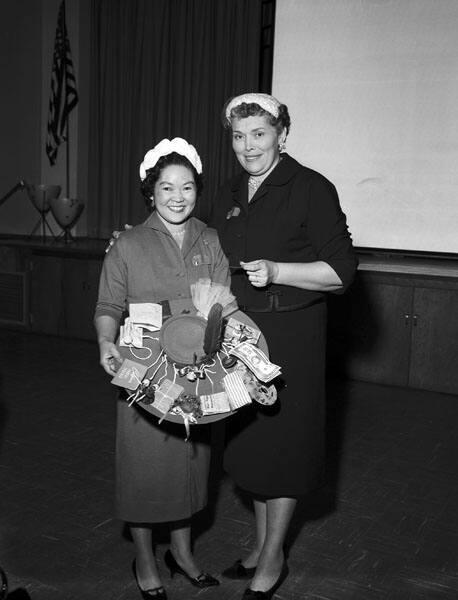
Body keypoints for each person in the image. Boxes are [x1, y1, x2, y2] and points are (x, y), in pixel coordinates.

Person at [209, 92, 358, 599]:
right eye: (238, 135)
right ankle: (258, 544)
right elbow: (205, 252)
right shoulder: (231, 190)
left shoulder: (312, 188)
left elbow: (341, 273)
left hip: (291, 335)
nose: (248, 146)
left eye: (259, 134)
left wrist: (278, 271)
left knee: (287, 450)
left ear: (282, 136)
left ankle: (273, 558)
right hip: (241, 335)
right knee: (252, 449)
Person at [94, 138, 224, 599]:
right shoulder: (128, 242)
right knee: (144, 464)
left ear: (197, 190)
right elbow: (109, 302)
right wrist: (106, 340)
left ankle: (183, 553)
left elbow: (224, 302)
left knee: (190, 460)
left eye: (187, 187)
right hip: (144, 369)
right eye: (166, 187)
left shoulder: (210, 238)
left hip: (194, 368)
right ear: (151, 192)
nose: (177, 196)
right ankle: (146, 557)